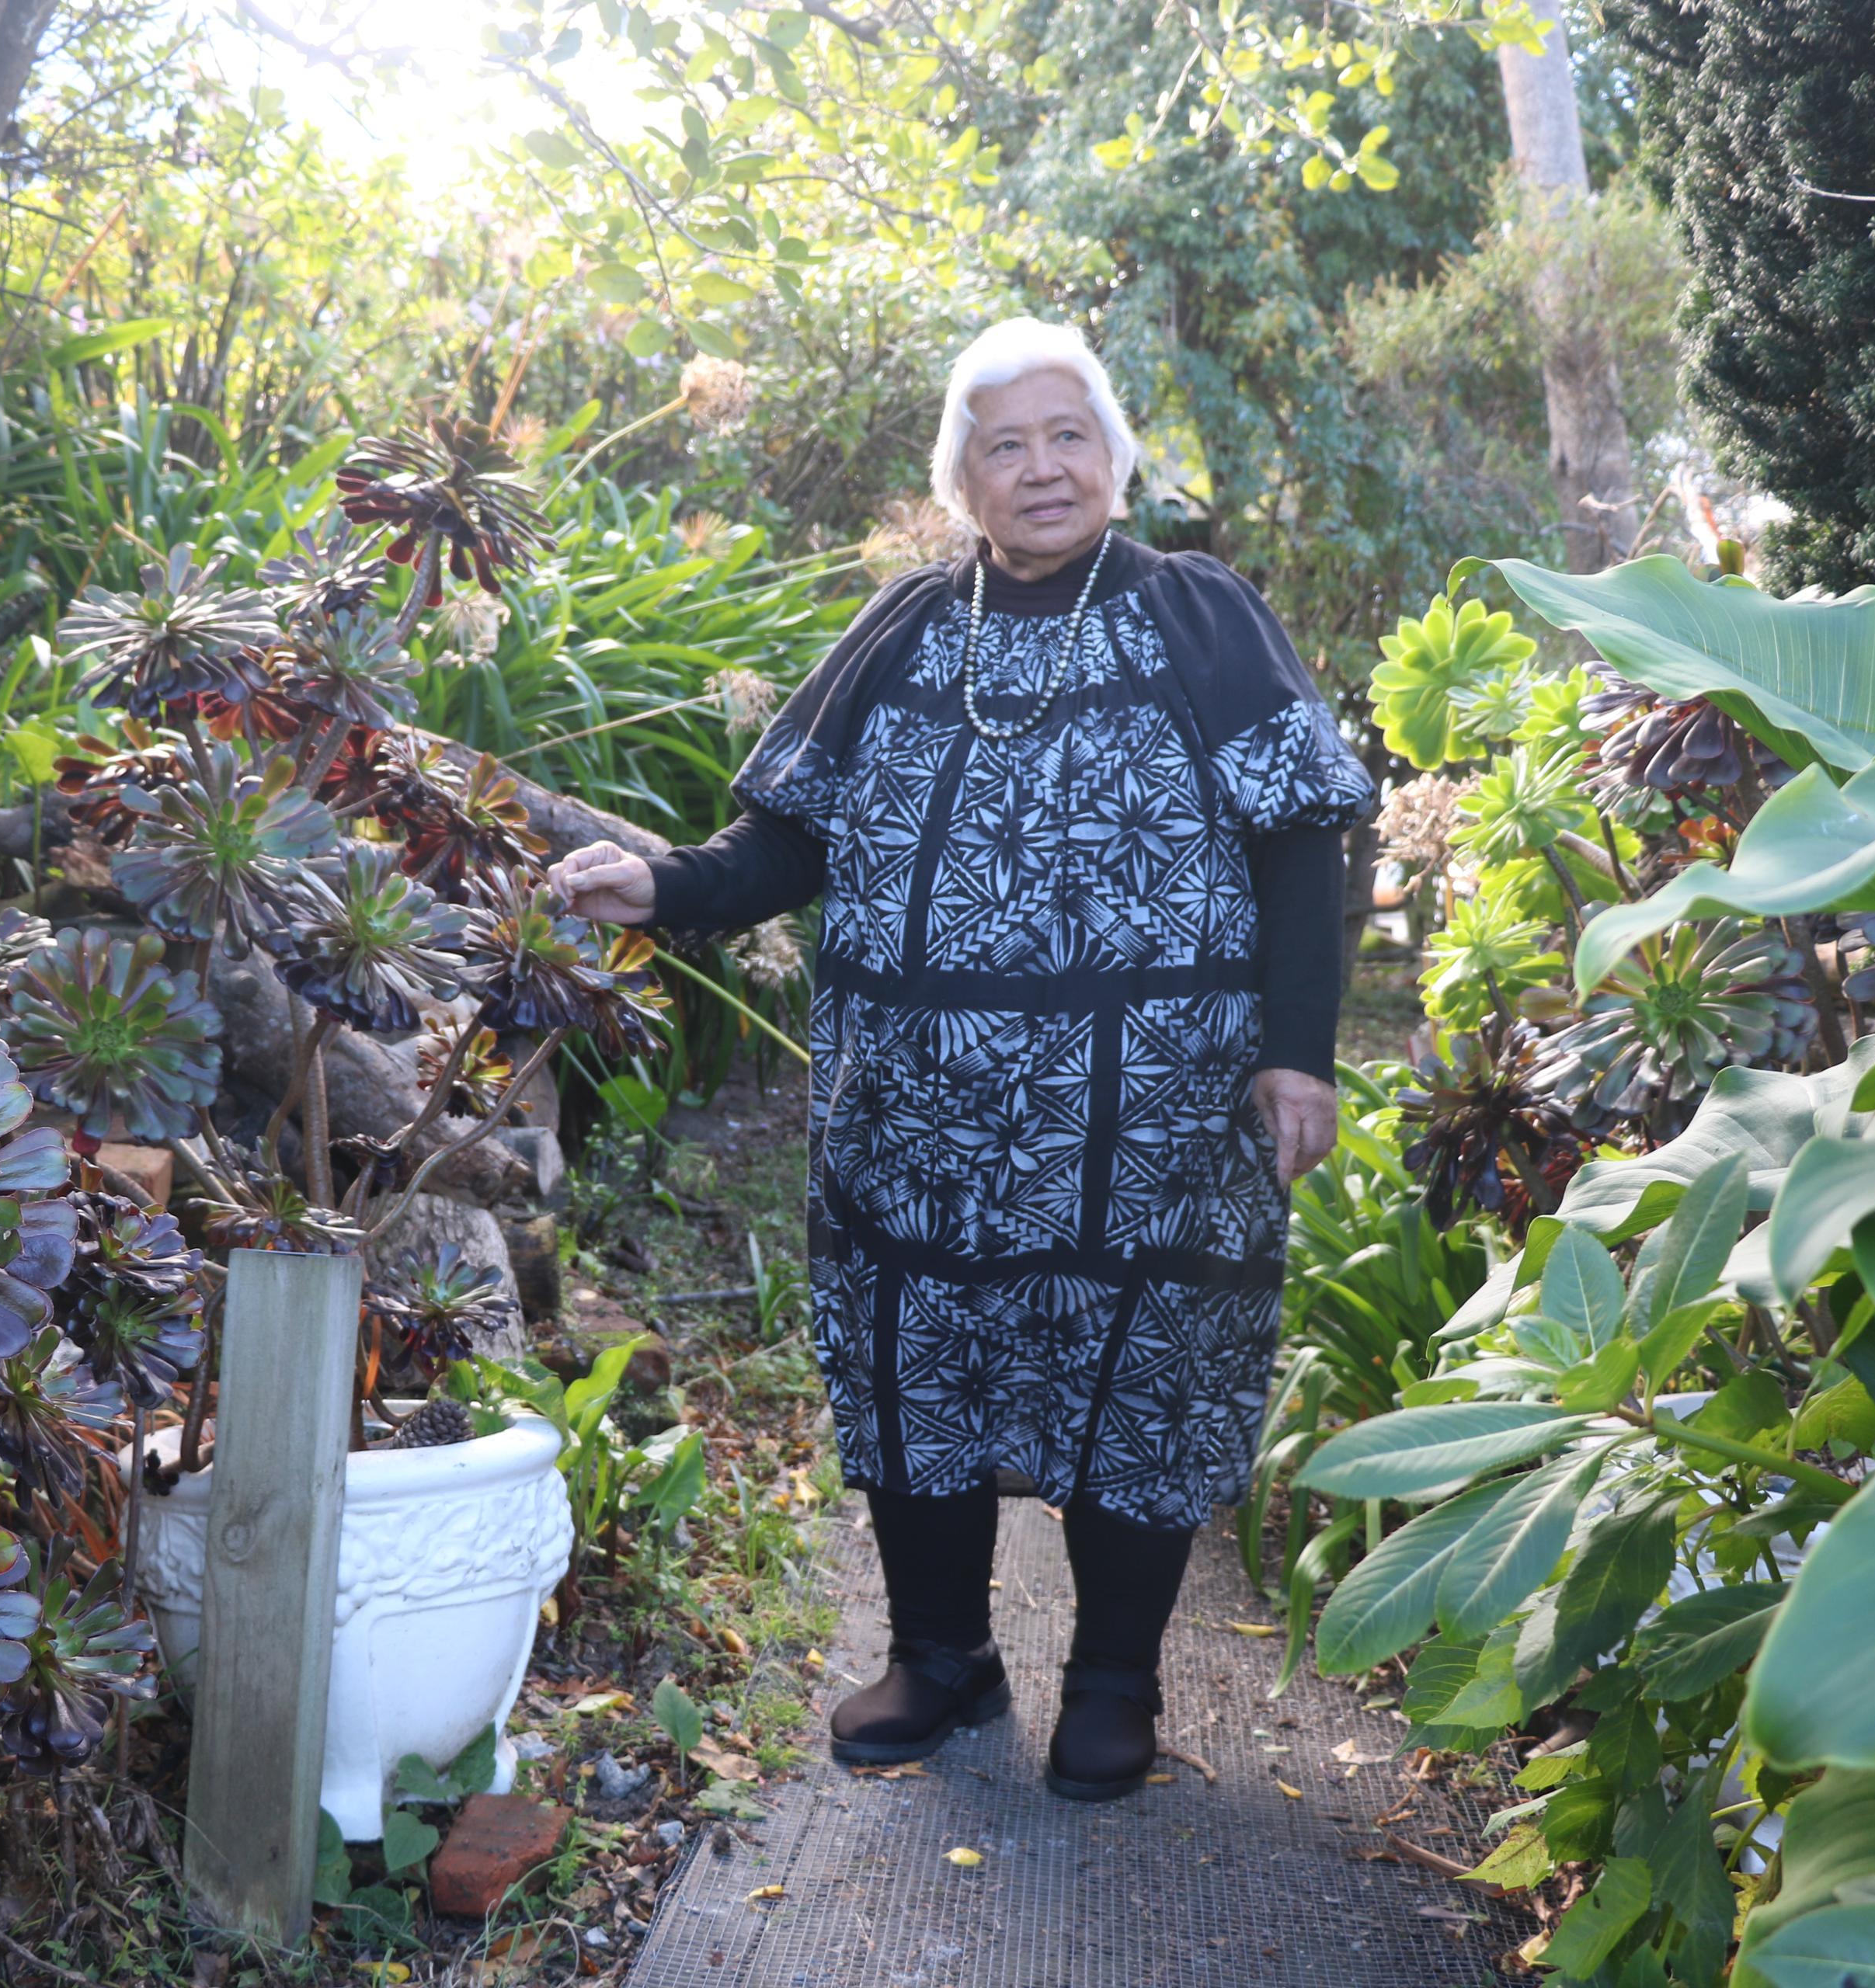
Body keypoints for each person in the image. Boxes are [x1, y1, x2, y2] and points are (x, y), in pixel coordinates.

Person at [549, 317, 1371, 1802]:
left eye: (1069, 436)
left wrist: (1296, 1056)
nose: (1043, 467)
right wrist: (663, 887)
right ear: (964, 481)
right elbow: (787, 837)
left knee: (1143, 1383)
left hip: (1156, 1127)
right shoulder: (910, 629)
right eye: (1007, 444)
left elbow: (1300, 833)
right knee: (917, 1374)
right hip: (914, 1124)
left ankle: (1114, 1682)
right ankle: (940, 1659)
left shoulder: (1203, 614)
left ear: (1113, 457)